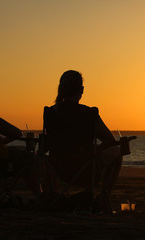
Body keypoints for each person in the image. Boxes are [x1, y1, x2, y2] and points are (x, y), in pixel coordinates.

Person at [45, 70, 122, 205]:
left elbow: (47, 144)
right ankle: (103, 197)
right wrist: (97, 148)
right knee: (118, 150)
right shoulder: (89, 114)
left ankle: (53, 195)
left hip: (59, 169)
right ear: (82, 90)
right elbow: (110, 140)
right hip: (85, 170)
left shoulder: (51, 113)